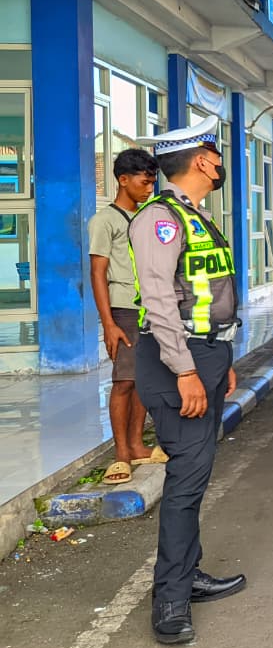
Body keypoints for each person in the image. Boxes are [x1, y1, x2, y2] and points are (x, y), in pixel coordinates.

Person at [130, 116, 246, 645]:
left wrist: (221, 361)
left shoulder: (191, 215)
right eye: (216, 156)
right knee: (185, 480)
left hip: (205, 355)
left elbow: (205, 294)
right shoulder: (161, 219)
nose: (220, 163)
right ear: (201, 160)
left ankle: (188, 573)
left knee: (195, 475)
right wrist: (186, 373)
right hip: (178, 360)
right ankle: (171, 599)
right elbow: (157, 302)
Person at [88, 148, 163, 485]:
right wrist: (109, 324)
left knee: (143, 381)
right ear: (123, 179)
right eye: (144, 183)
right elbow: (97, 272)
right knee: (124, 381)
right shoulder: (105, 221)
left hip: (149, 309)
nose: (149, 189)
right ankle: (121, 454)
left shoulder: (147, 216)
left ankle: (136, 445)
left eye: (152, 183)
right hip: (123, 309)